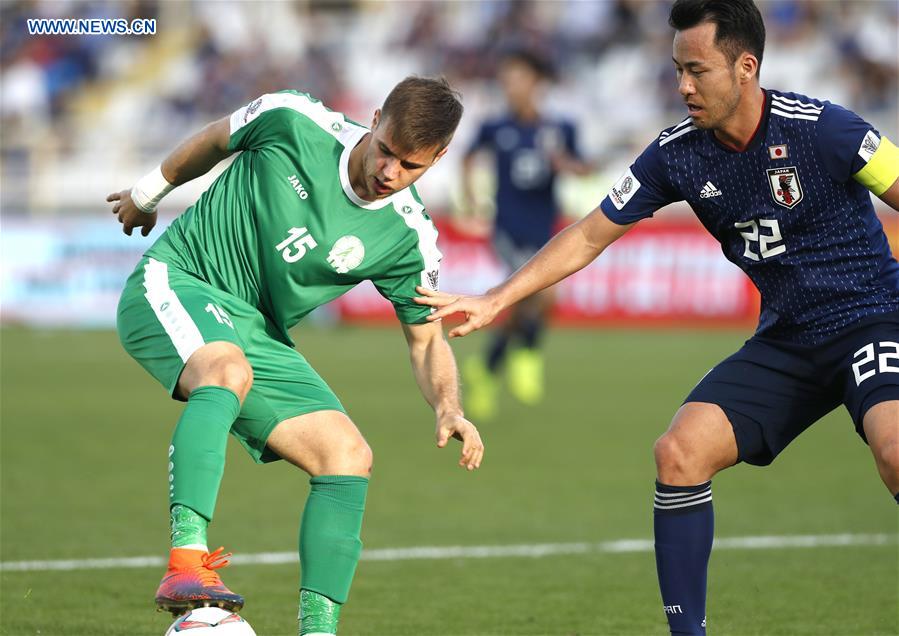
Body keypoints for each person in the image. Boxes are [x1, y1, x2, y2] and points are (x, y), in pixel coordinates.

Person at [415, 1, 899, 633]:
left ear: (745, 67)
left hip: (872, 318)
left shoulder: (826, 130)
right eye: (676, 70)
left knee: (894, 451)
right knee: (678, 453)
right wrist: (498, 296)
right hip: (787, 339)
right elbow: (589, 235)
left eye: (697, 70)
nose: (683, 86)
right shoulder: (678, 154)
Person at [108, 77, 484, 636]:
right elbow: (215, 140)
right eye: (386, 150)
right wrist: (146, 194)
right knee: (228, 370)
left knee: (348, 454)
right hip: (180, 278)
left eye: (411, 166)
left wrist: (449, 406)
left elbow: (426, 339)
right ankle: (186, 563)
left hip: (257, 333)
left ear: (439, 159)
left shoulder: (408, 236)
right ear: (375, 117)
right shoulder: (294, 121)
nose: (390, 173)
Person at [460, 49, 593, 420]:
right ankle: (528, 353)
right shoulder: (494, 127)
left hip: (545, 229)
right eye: (506, 79)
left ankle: (487, 368)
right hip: (508, 228)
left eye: (517, 78)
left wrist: (564, 164)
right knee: (543, 293)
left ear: (536, 83)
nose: (510, 86)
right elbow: (468, 158)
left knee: (525, 302)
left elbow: (583, 167)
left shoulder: (559, 128)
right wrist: (471, 197)